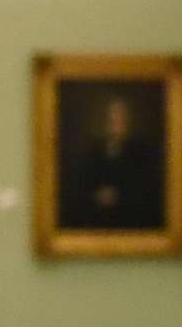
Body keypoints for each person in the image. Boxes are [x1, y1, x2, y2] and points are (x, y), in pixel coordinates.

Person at [63, 93, 162, 230]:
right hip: (97, 223)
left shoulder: (141, 152)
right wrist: (97, 196)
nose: (117, 124)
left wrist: (119, 196)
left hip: (131, 223)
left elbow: (147, 190)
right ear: (106, 122)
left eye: (121, 119)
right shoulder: (92, 153)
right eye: (113, 119)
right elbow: (80, 188)